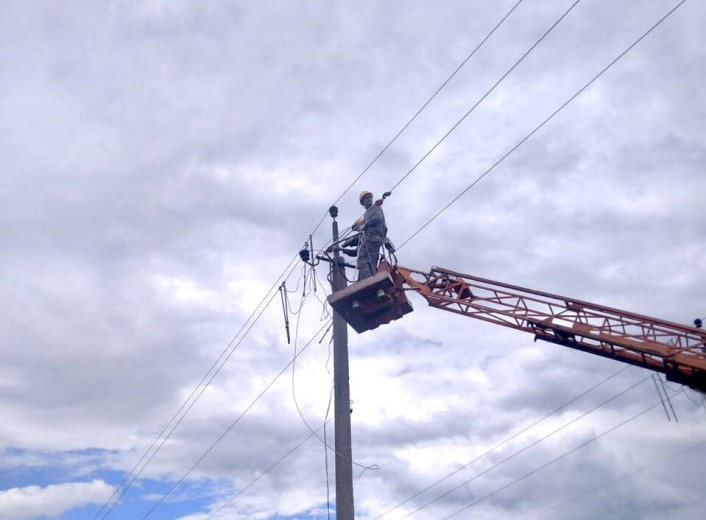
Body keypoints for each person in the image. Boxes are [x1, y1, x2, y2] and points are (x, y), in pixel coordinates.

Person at [340, 190, 387, 281]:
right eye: (366, 198)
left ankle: (367, 281)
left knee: (363, 261)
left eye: (369, 197)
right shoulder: (367, 214)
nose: (368, 199)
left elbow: (377, 218)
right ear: (363, 202)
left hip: (372, 238)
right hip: (373, 240)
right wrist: (343, 248)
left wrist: (364, 225)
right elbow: (356, 251)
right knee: (369, 263)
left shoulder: (375, 208)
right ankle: (368, 280)